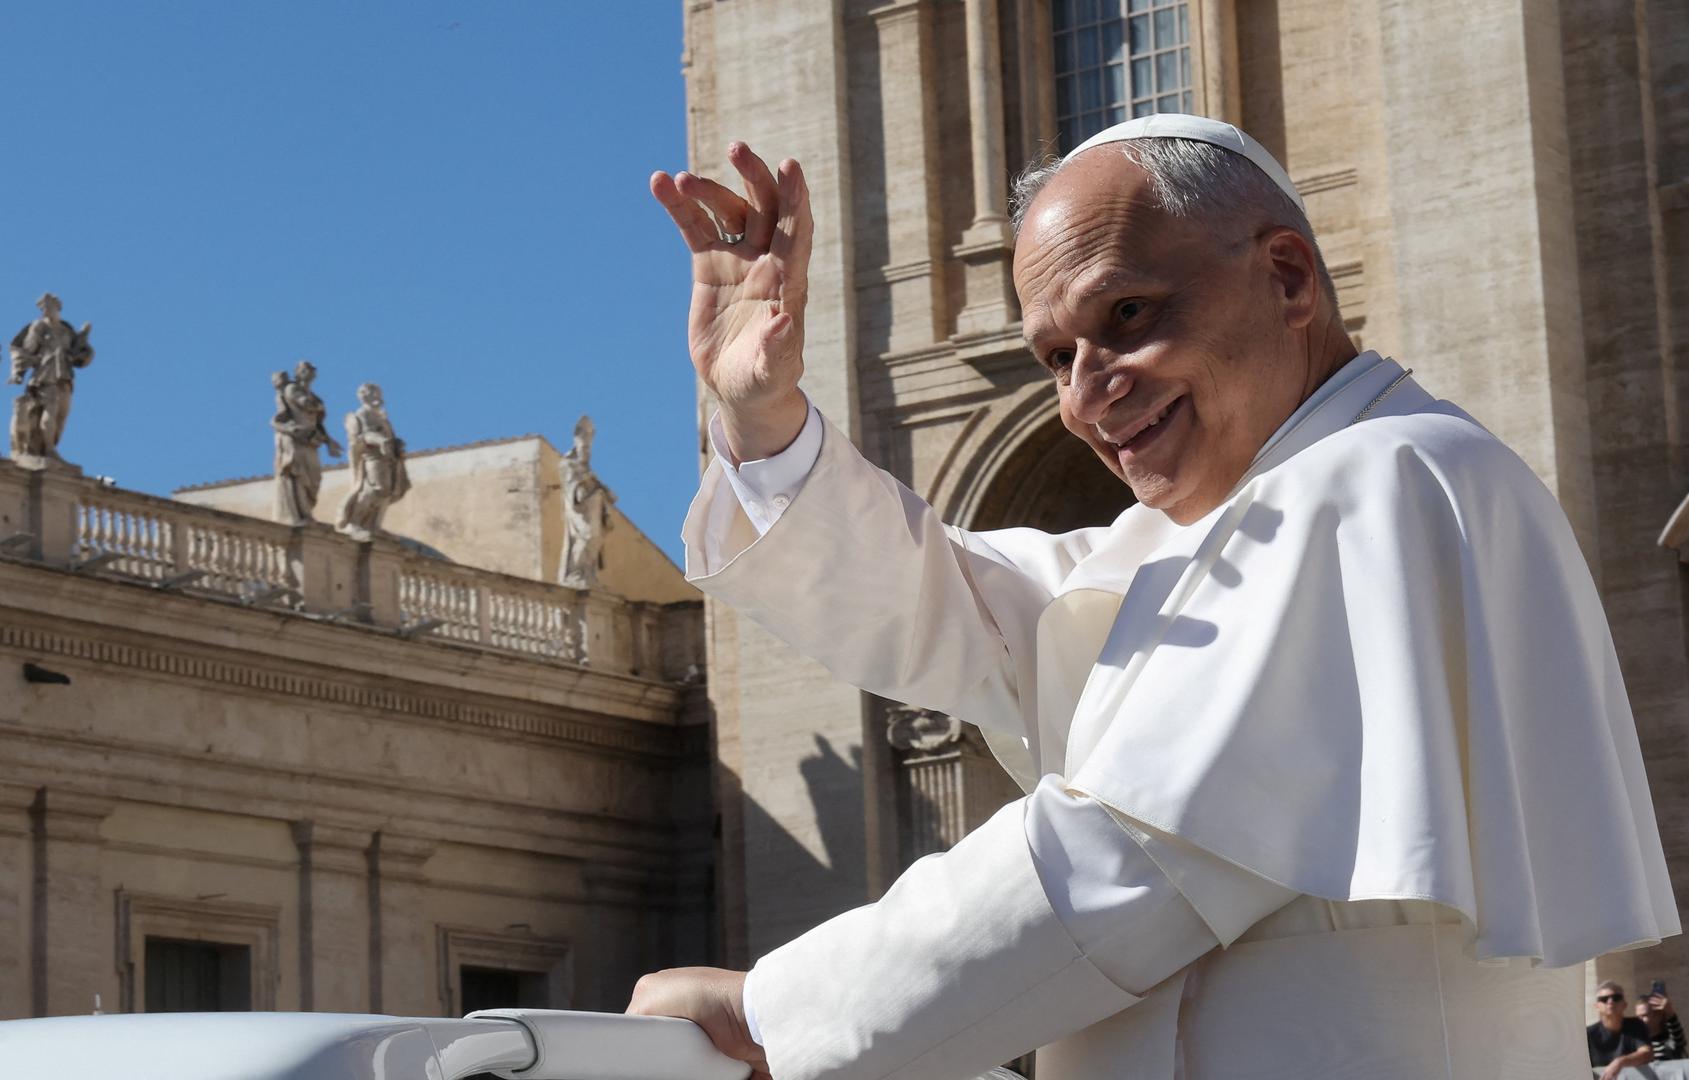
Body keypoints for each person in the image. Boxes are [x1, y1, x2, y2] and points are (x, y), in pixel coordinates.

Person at [632, 117, 1679, 1080]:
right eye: (1055, 357)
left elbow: (1126, 857)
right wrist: (763, 419)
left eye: (1127, 316)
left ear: (1287, 277)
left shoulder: (1378, 478)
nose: (1088, 395)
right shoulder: (1203, 535)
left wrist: (771, 1013)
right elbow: (943, 609)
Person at [8, 292, 93, 461]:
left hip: (65, 377)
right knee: (50, 411)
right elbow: (26, 351)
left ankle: (48, 447)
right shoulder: (38, 327)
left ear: (57, 307)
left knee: (61, 415)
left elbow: (79, 351)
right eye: (42, 308)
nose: (45, 310)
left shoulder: (66, 329)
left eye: (47, 306)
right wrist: (18, 373)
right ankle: (48, 449)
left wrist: (84, 336)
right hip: (45, 375)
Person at [336, 381, 409, 540]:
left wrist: (397, 444)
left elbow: (390, 437)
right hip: (372, 456)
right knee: (373, 488)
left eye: (375, 392)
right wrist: (381, 441)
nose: (376, 395)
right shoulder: (363, 414)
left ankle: (374, 526)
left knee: (387, 491)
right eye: (370, 392)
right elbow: (363, 436)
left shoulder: (381, 417)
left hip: (389, 458)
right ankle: (354, 522)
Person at [1591, 981, 1654, 1077]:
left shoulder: (1636, 1025)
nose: (1610, 1002)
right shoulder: (1588, 1034)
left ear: (1624, 1004)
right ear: (1596, 1006)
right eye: (1604, 999)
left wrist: (1620, 1062)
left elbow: (1646, 1054)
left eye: (1616, 998)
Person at [1637, 984, 1685, 1062]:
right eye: (1638, 1016)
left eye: (1644, 1015)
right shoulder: (1637, 1042)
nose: (1640, 1020)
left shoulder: (1669, 1043)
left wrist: (1669, 1011)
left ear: (1658, 1016)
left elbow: (1677, 1037)